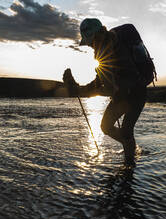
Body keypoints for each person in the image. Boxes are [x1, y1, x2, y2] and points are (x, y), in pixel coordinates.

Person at [63, 18, 149, 165]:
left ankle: (129, 163)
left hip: (136, 94)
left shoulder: (113, 49)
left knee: (126, 131)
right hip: (124, 95)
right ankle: (132, 151)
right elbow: (100, 81)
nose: (89, 45)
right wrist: (81, 89)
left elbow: (108, 86)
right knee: (106, 126)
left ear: (96, 36)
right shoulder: (104, 49)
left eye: (89, 41)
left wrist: (81, 90)